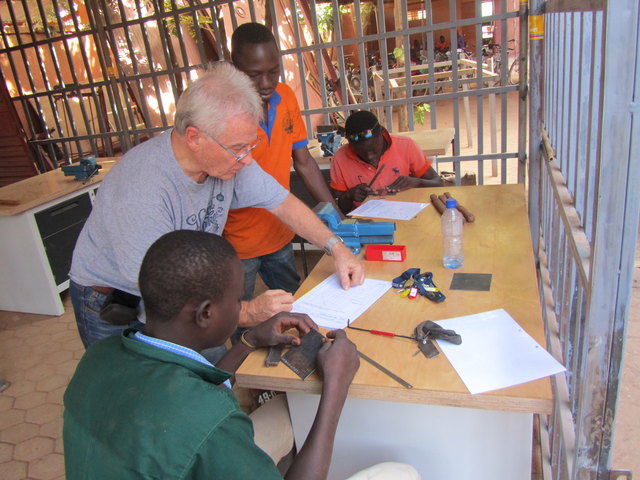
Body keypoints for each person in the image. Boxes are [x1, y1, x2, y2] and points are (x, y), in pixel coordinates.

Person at [63, 230, 419, 480]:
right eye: (237, 301)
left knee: (286, 413)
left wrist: (248, 340)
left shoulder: (102, 354)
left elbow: (187, 393)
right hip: (189, 449)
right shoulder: (211, 420)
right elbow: (200, 415)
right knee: (402, 474)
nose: (243, 306)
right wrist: (336, 387)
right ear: (205, 314)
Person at [69, 62, 364, 349]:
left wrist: (336, 249)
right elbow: (166, 295)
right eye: (238, 149)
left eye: (251, 146)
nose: (248, 159)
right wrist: (246, 312)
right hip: (114, 300)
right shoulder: (141, 191)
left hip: (181, 283)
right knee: (134, 388)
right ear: (194, 138)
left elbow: (282, 203)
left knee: (204, 365)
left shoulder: (229, 160)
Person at [224, 22, 337, 302]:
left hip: (280, 233)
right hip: (236, 246)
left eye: (273, 71)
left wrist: (336, 215)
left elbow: (304, 163)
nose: (265, 83)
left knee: (294, 307)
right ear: (234, 67)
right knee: (242, 321)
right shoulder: (222, 112)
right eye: (254, 75)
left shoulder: (285, 97)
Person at [329, 110, 443, 214]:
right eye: (361, 152)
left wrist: (418, 183)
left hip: (405, 215)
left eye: (373, 149)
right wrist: (349, 196)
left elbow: (438, 183)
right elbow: (338, 208)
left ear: (382, 133)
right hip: (365, 224)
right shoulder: (340, 157)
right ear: (351, 146)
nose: (369, 156)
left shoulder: (405, 146)